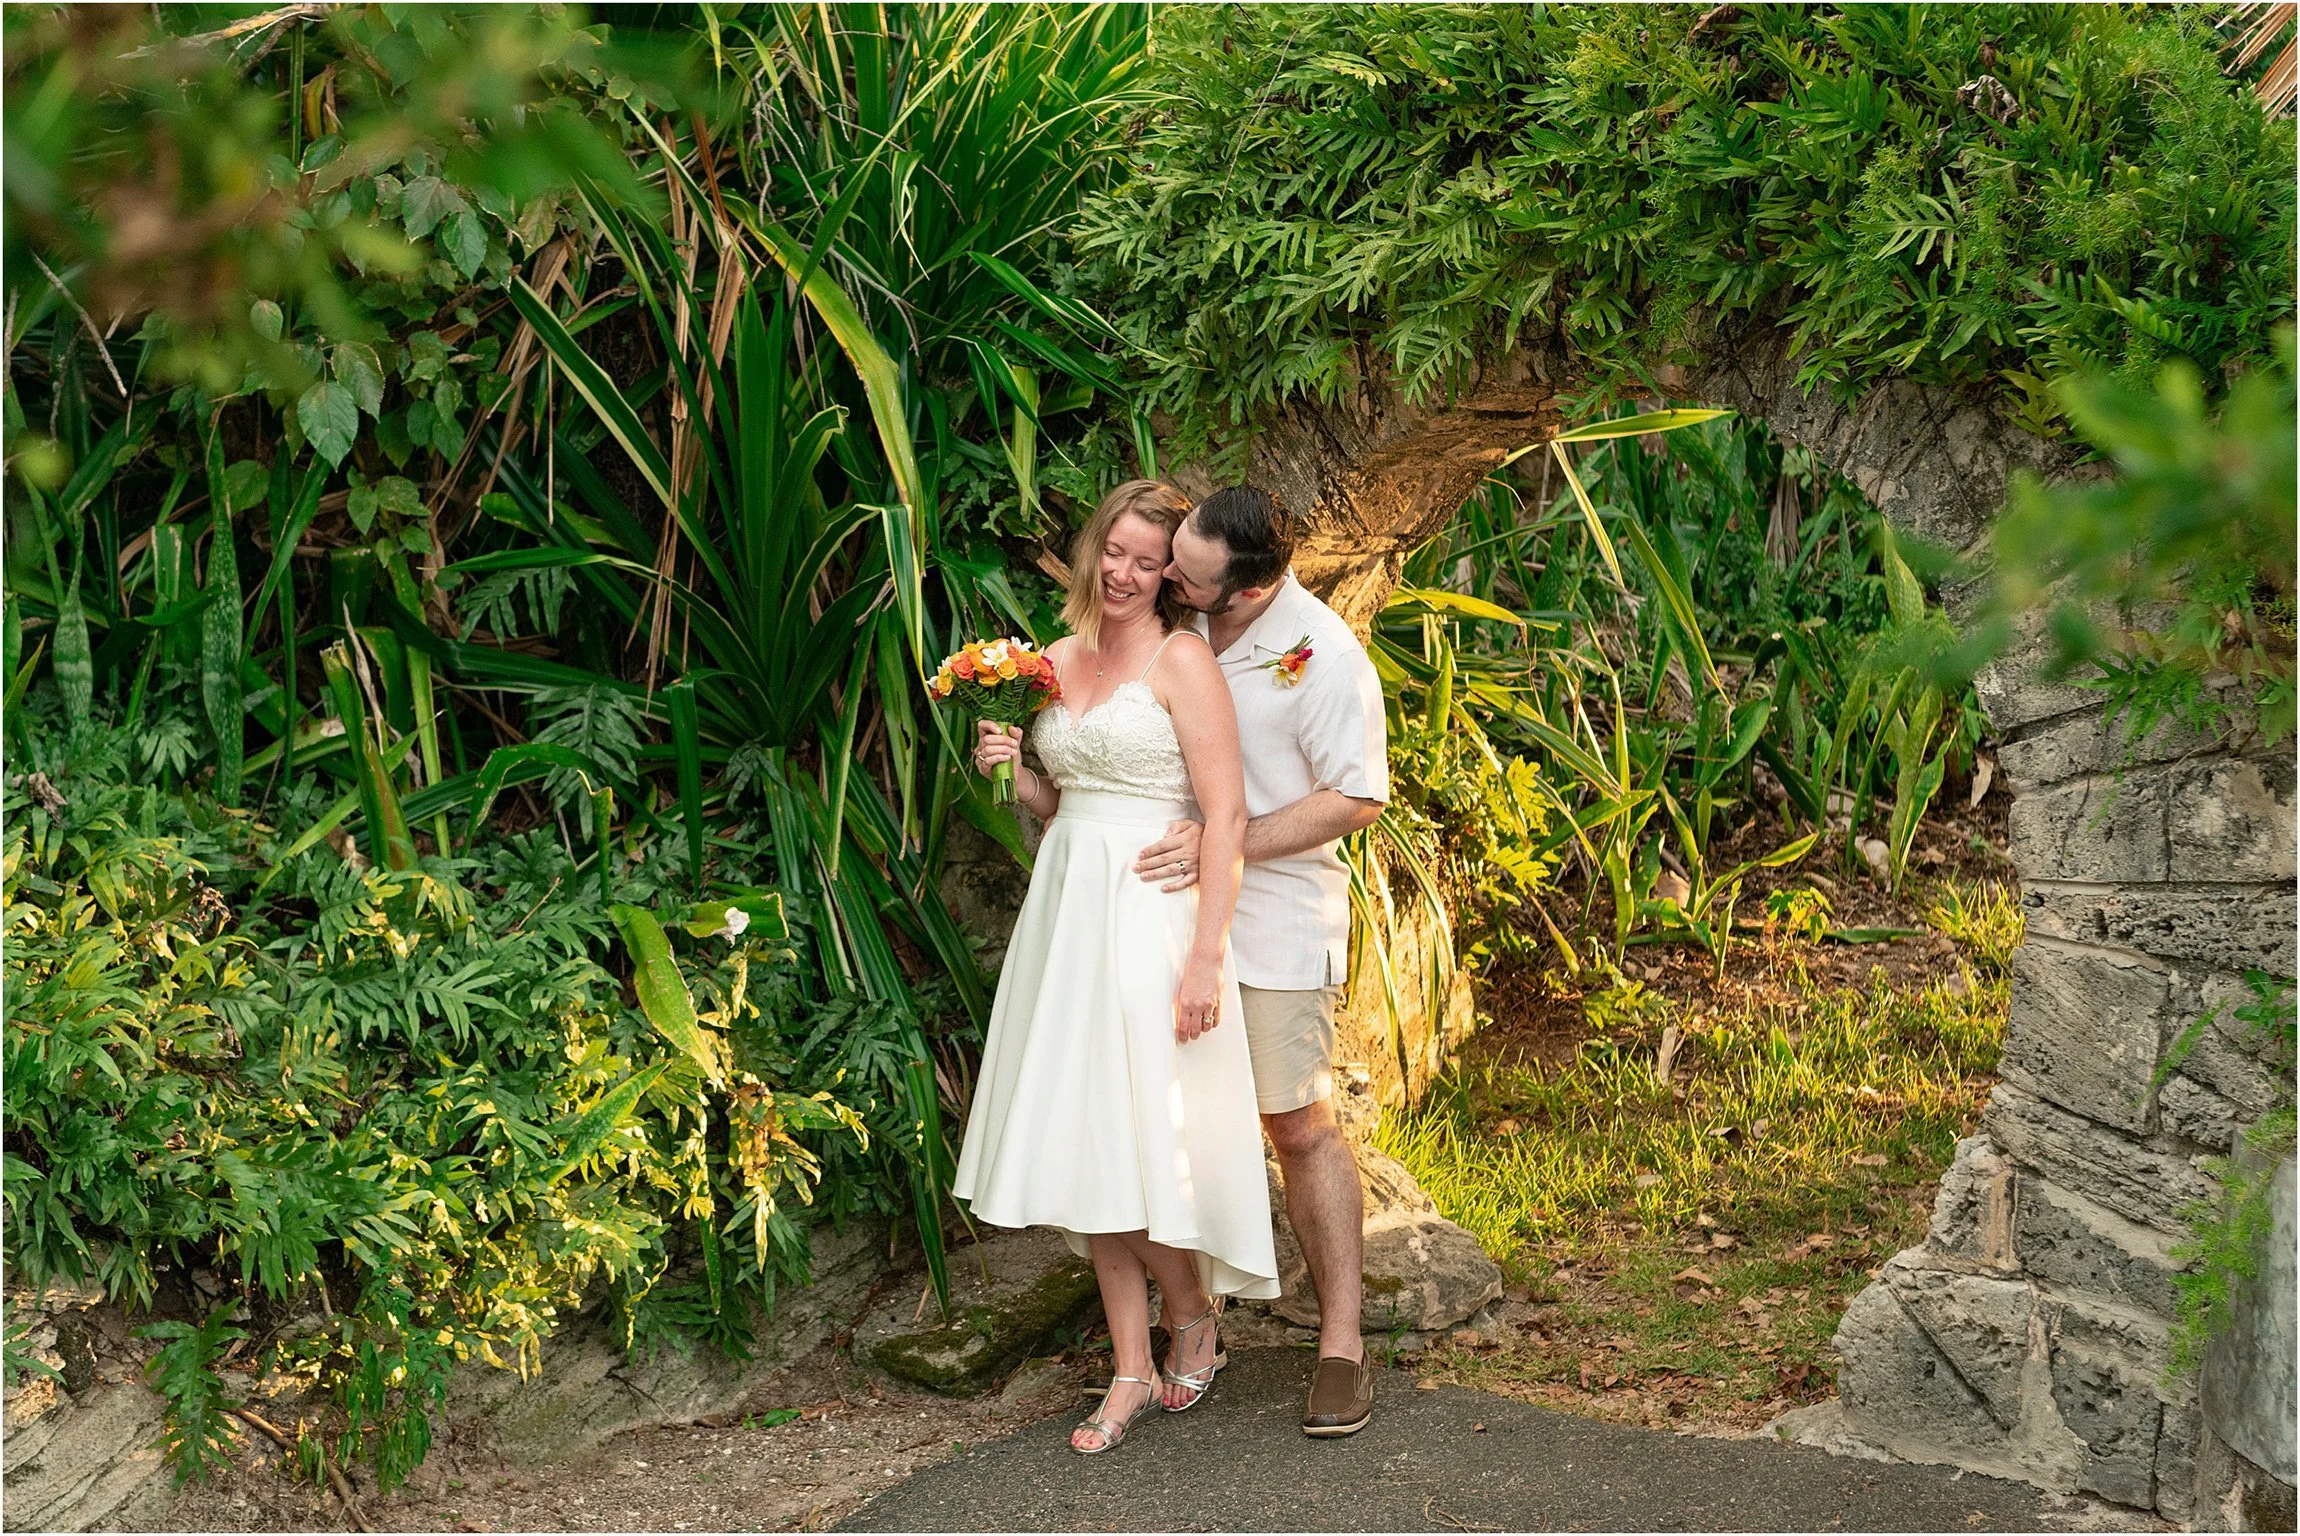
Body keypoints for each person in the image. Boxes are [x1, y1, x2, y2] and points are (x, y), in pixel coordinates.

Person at [956, 479, 1277, 1456]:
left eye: (1150, 560)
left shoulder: (1183, 659)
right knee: (1083, 1134)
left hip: (1153, 919)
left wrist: (1204, 961)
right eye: (1118, 553)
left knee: (1140, 1139)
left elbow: (1223, 816)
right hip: (1066, 916)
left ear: (1172, 571)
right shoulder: (1052, 660)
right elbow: (1060, 808)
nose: (1129, 573)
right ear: (1093, 547)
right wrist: (1007, 768)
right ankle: (1130, 1368)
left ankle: (1194, 1315)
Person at [1136, 485, 1388, 1438]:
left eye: (1186, 575)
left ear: (1246, 592)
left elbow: (1357, 798)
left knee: (1297, 1125)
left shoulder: (1324, 656)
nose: (1164, 578)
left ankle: (1340, 1348)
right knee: (1168, 1118)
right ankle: (1193, 1319)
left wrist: (1226, 844)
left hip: (1275, 922)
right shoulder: (1172, 618)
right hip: (1163, 915)